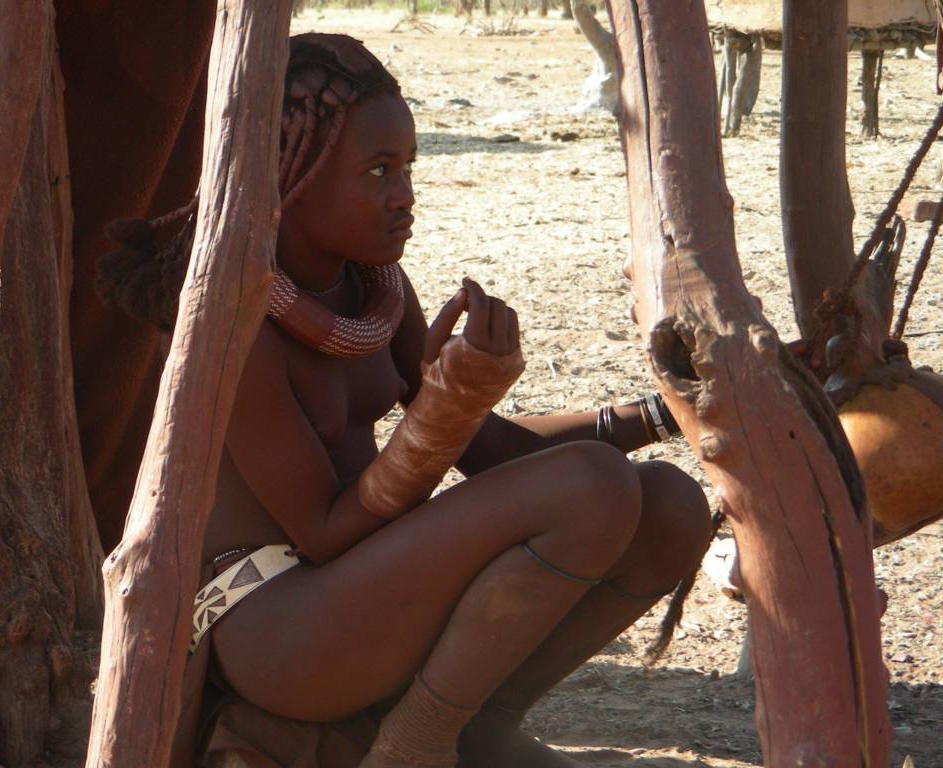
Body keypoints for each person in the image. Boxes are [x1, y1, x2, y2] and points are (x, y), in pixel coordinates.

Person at [99, 33, 712, 768]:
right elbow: (323, 532)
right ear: (290, 172)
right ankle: (413, 749)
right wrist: (441, 415)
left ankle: (478, 728)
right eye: (378, 170)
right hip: (276, 624)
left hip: (364, 588)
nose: (404, 195)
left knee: (670, 503)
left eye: (409, 167)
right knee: (593, 484)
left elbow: (490, 451)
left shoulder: (375, 291)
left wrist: (665, 412)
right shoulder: (237, 322)